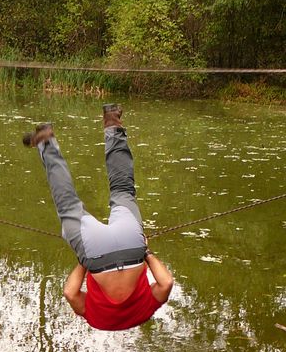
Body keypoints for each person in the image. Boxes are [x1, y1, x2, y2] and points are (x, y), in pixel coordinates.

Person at [23, 104, 173, 330]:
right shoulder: (96, 320)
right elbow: (70, 293)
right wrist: (84, 261)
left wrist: (147, 252)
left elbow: (166, 283)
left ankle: (112, 121)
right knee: (68, 203)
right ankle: (46, 141)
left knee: (122, 188)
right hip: (95, 255)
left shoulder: (143, 313)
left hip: (133, 247)